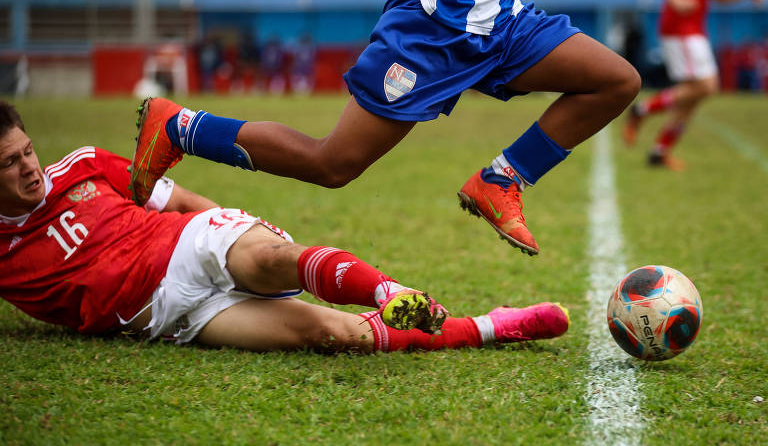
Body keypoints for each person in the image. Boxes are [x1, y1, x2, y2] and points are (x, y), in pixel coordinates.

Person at [130, 0, 641, 257]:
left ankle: (501, 179)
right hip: (432, 29)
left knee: (615, 79)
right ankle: (179, 127)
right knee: (333, 164)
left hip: (501, 20)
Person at [0, 101, 569, 353]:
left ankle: (384, 290)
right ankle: (493, 326)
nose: (29, 166)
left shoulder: (82, 166)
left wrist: (229, 230)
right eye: (10, 162)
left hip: (191, 243)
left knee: (269, 260)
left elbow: (177, 199)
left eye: (28, 151)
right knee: (333, 336)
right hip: (169, 315)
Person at [623, 0, 764, 170]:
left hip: (695, 27)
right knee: (706, 86)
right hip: (679, 25)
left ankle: (659, 152)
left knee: (694, 94)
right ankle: (642, 110)